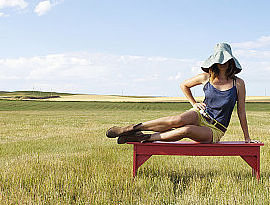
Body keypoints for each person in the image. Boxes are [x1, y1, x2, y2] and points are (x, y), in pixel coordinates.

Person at [106, 43, 257, 144]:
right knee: (176, 120)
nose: (222, 63)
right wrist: (194, 103)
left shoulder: (238, 83)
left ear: (231, 61)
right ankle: (131, 129)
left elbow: (241, 112)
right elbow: (184, 85)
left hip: (215, 129)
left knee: (186, 130)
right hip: (200, 114)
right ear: (214, 61)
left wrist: (247, 138)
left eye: (225, 59)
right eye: (219, 59)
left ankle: (143, 138)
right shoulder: (206, 78)